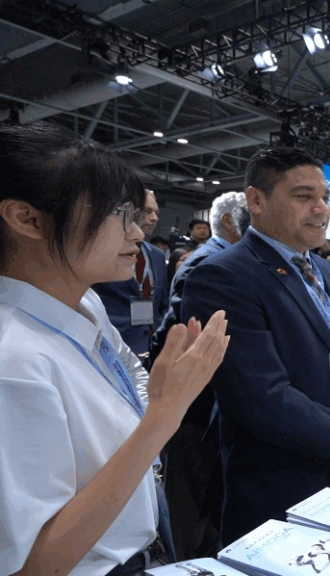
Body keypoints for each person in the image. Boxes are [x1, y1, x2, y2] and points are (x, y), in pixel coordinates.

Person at [0, 122, 229, 576]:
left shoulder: (85, 302)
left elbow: (127, 372)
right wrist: (163, 415)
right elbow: (34, 565)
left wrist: (161, 393)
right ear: (28, 219)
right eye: (117, 213)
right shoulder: (13, 359)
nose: (138, 233)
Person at [180, 147, 330, 544]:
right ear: (256, 201)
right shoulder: (222, 277)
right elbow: (262, 396)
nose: (322, 209)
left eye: (325, 197)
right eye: (304, 196)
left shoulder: (325, 269)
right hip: (279, 486)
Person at [151, 190, 249, 558]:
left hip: (210, 408)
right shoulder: (206, 264)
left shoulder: (227, 260)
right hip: (196, 410)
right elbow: (176, 337)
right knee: (191, 508)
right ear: (229, 221)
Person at [92, 189, 171, 357]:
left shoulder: (157, 255)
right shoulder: (103, 250)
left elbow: (163, 302)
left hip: (152, 343)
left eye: (156, 213)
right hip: (111, 344)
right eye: (147, 211)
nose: (154, 218)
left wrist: (159, 329)